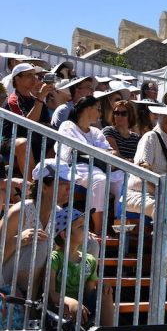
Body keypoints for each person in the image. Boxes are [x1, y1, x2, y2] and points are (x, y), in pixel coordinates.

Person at [127, 105, 167, 272]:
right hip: (139, 194)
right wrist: (162, 193)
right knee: (161, 208)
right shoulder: (150, 138)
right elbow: (143, 170)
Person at [0, 160, 72, 299]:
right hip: (6, 280)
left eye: (70, 184)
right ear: (44, 187)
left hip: (40, 280)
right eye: (63, 184)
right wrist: (18, 241)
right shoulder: (19, 211)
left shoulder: (59, 213)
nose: (69, 189)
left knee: (89, 243)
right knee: (40, 244)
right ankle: (27, 307)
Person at [55, 96, 122, 234]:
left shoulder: (96, 131)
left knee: (122, 179)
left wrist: (109, 153)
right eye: (98, 109)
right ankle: (99, 230)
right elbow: (77, 149)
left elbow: (108, 150)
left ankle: (119, 225)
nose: (100, 113)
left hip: (99, 166)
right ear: (87, 109)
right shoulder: (68, 125)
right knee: (99, 179)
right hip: (75, 166)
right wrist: (105, 153)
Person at [48, 208, 115, 328]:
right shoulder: (55, 258)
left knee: (105, 293)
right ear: (65, 234)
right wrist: (70, 301)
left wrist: (102, 286)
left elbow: (88, 291)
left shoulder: (90, 260)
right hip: (60, 308)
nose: (87, 230)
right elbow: (50, 293)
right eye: (81, 227)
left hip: (83, 308)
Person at [1, 63, 54, 178]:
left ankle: (45, 178)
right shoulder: (12, 100)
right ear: (17, 79)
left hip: (33, 139)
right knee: (23, 143)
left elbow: (46, 125)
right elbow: (27, 124)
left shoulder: (37, 101)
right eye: (29, 75)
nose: (34, 78)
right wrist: (40, 98)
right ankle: (32, 185)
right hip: (11, 140)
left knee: (56, 141)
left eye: (34, 75)